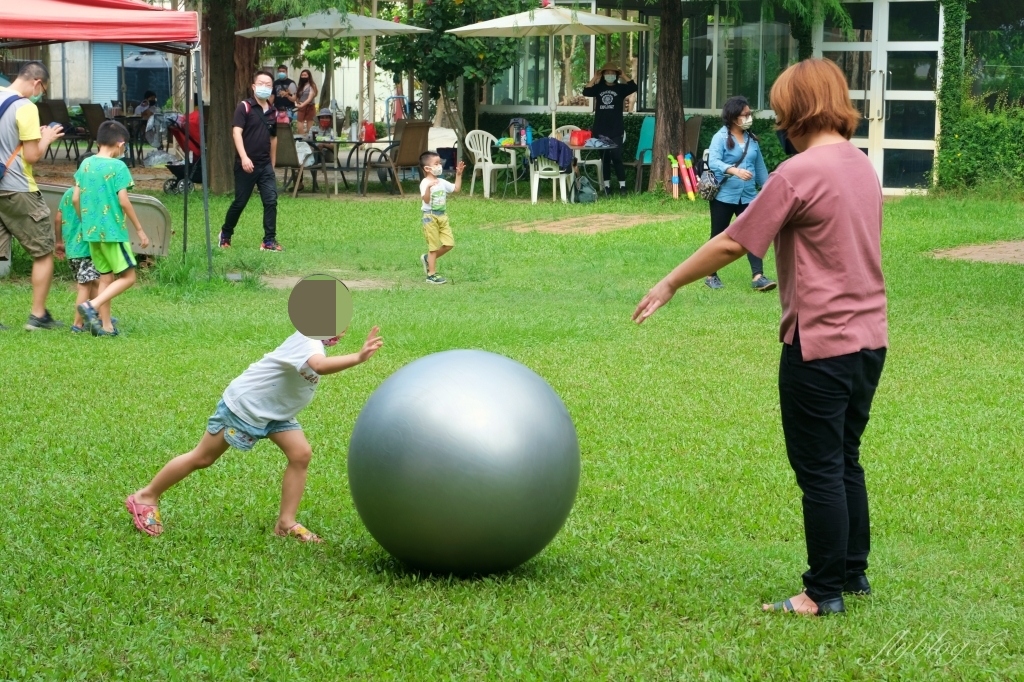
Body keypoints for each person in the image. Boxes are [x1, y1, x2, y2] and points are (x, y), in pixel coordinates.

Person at [632, 58, 887, 617]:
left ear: (797, 109)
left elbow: (733, 242)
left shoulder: (798, 172)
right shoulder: (861, 166)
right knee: (845, 457)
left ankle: (822, 594)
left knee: (819, 468)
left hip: (819, 344)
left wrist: (671, 281)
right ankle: (852, 573)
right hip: (871, 340)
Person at [125, 326, 385, 543]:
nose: (342, 329)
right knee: (202, 458)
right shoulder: (308, 342)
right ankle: (145, 496)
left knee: (300, 454)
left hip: (275, 414)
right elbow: (319, 365)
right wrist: (358, 357)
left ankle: (286, 523)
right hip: (244, 407)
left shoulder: (313, 341)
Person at [0, 60, 65, 331]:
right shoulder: (26, 107)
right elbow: (32, 155)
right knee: (43, 251)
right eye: (43, 90)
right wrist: (47, 137)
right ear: (37, 83)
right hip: (18, 189)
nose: (41, 95)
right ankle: (37, 316)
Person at [74, 121, 150, 337]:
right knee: (128, 277)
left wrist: (86, 222)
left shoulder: (85, 165)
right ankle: (92, 305)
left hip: (92, 233)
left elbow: (77, 198)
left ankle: (106, 326)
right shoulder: (118, 167)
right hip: (113, 232)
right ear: (120, 144)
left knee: (106, 278)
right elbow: (124, 201)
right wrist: (140, 229)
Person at [705, 96, 776, 292]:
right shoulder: (720, 137)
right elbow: (714, 162)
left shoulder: (751, 139)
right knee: (718, 235)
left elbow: (760, 168)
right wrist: (733, 170)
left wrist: (770, 190)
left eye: (749, 114)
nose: (749, 117)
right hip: (724, 196)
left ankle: (758, 276)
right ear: (734, 117)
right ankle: (711, 274)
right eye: (745, 114)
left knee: (753, 234)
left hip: (748, 196)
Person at [219, 70, 282, 252]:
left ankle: (269, 240)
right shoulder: (244, 107)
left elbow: (273, 138)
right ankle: (225, 233)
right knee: (240, 201)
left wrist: (273, 162)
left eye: (268, 84)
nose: (264, 87)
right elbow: (236, 132)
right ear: (253, 86)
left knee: (271, 201)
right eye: (261, 83)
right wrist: (244, 157)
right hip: (246, 164)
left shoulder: (272, 111)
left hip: (265, 165)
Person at [54, 154, 102, 333]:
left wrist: (59, 242)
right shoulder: (91, 194)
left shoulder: (68, 193)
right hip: (86, 249)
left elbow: (58, 218)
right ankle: (77, 324)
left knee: (94, 282)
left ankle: (96, 315)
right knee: (85, 285)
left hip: (73, 250)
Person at [582, 61, 637, 197]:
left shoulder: (620, 89)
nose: (610, 75)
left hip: (616, 129)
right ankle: (606, 186)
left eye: (613, 73)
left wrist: (623, 75)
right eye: (607, 73)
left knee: (617, 157)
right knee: (605, 159)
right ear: (603, 74)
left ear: (616, 75)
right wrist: (595, 78)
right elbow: (586, 91)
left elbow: (634, 86)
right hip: (600, 130)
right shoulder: (598, 88)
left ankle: (622, 186)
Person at [418, 151, 464, 285]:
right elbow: (426, 200)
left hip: (442, 216)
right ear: (427, 168)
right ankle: (431, 275)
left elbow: (456, 189)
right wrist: (428, 188)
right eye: (436, 163)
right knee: (433, 247)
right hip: (430, 217)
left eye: (439, 163)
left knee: (449, 244)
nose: (439, 166)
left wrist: (459, 175)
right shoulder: (425, 182)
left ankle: (428, 259)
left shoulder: (442, 182)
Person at [295, 69, 319, 134]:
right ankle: (302, 140)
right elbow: (297, 97)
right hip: (301, 106)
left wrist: (302, 105)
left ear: (309, 76)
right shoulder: (300, 86)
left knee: (310, 127)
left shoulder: (312, 85)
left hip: (310, 106)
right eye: (302, 75)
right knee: (299, 125)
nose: (303, 76)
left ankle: (309, 141)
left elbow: (310, 98)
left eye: (305, 75)